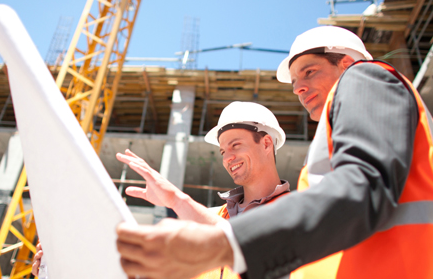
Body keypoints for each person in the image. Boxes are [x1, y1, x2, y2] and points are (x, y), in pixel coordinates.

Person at [116, 26, 433, 279]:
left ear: (347, 63)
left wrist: (222, 245)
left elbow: (362, 185)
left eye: (309, 72)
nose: (298, 88)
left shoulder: (367, 77)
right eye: (295, 81)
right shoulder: (329, 140)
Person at [32, 102, 291, 279]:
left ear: (266, 142)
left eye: (235, 145)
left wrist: (176, 199)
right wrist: (63, 263)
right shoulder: (213, 215)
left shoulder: (297, 212)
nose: (228, 157)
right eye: (223, 151)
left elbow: (260, 251)